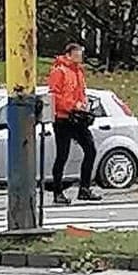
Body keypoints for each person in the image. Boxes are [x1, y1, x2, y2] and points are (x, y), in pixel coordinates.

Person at [47, 43, 102, 205]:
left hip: (77, 117)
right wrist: (73, 105)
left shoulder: (78, 71)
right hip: (63, 118)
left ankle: (84, 188)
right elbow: (55, 96)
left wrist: (83, 104)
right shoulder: (59, 71)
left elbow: (81, 92)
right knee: (62, 155)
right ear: (69, 54)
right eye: (77, 54)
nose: (80, 58)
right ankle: (58, 192)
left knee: (90, 150)